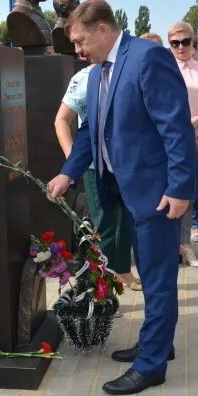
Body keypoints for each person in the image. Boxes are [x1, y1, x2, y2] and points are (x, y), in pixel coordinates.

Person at [47, 0, 198, 396]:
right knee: (150, 275)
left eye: (81, 41)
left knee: (158, 277)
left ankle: (150, 366)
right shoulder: (99, 71)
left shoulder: (147, 58)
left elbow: (176, 127)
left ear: (102, 29)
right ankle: (158, 344)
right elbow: (90, 134)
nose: (78, 51)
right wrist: (68, 173)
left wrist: (181, 188)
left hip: (156, 193)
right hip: (125, 191)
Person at [54, 63, 140, 305]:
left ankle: (122, 271)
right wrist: (75, 162)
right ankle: (102, 294)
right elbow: (61, 120)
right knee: (105, 227)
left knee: (124, 221)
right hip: (96, 169)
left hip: (127, 166)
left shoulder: (126, 70)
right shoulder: (84, 77)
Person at [167, 21, 198, 267]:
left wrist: (197, 119)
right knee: (172, 189)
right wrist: (182, 131)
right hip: (172, 139)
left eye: (185, 41)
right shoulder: (164, 68)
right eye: (175, 43)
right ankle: (169, 245)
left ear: (193, 42)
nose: (181, 47)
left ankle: (185, 245)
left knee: (193, 189)